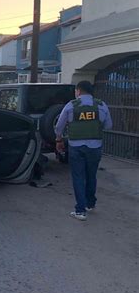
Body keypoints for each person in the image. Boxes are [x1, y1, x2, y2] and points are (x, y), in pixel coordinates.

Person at [55, 80, 113, 221]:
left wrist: (59, 140)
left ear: (78, 91)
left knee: (78, 177)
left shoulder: (71, 106)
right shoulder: (101, 105)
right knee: (91, 175)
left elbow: (59, 127)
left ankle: (80, 211)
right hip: (95, 147)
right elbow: (109, 125)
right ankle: (90, 204)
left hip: (76, 147)